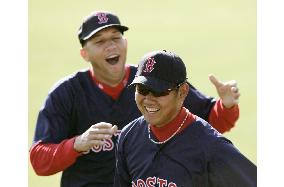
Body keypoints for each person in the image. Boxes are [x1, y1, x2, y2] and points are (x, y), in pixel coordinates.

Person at [29, 11, 240, 187]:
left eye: (115, 38)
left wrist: (226, 106)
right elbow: (39, 160)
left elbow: (209, 124)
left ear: (125, 42)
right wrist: (77, 144)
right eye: (100, 41)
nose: (111, 46)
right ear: (85, 53)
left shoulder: (152, 81)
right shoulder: (66, 93)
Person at [114, 50, 256, 187]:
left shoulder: (210, 146)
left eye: (159, 91)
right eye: (142, 89)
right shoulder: (129, 136)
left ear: (182, 92)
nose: (149, 99)